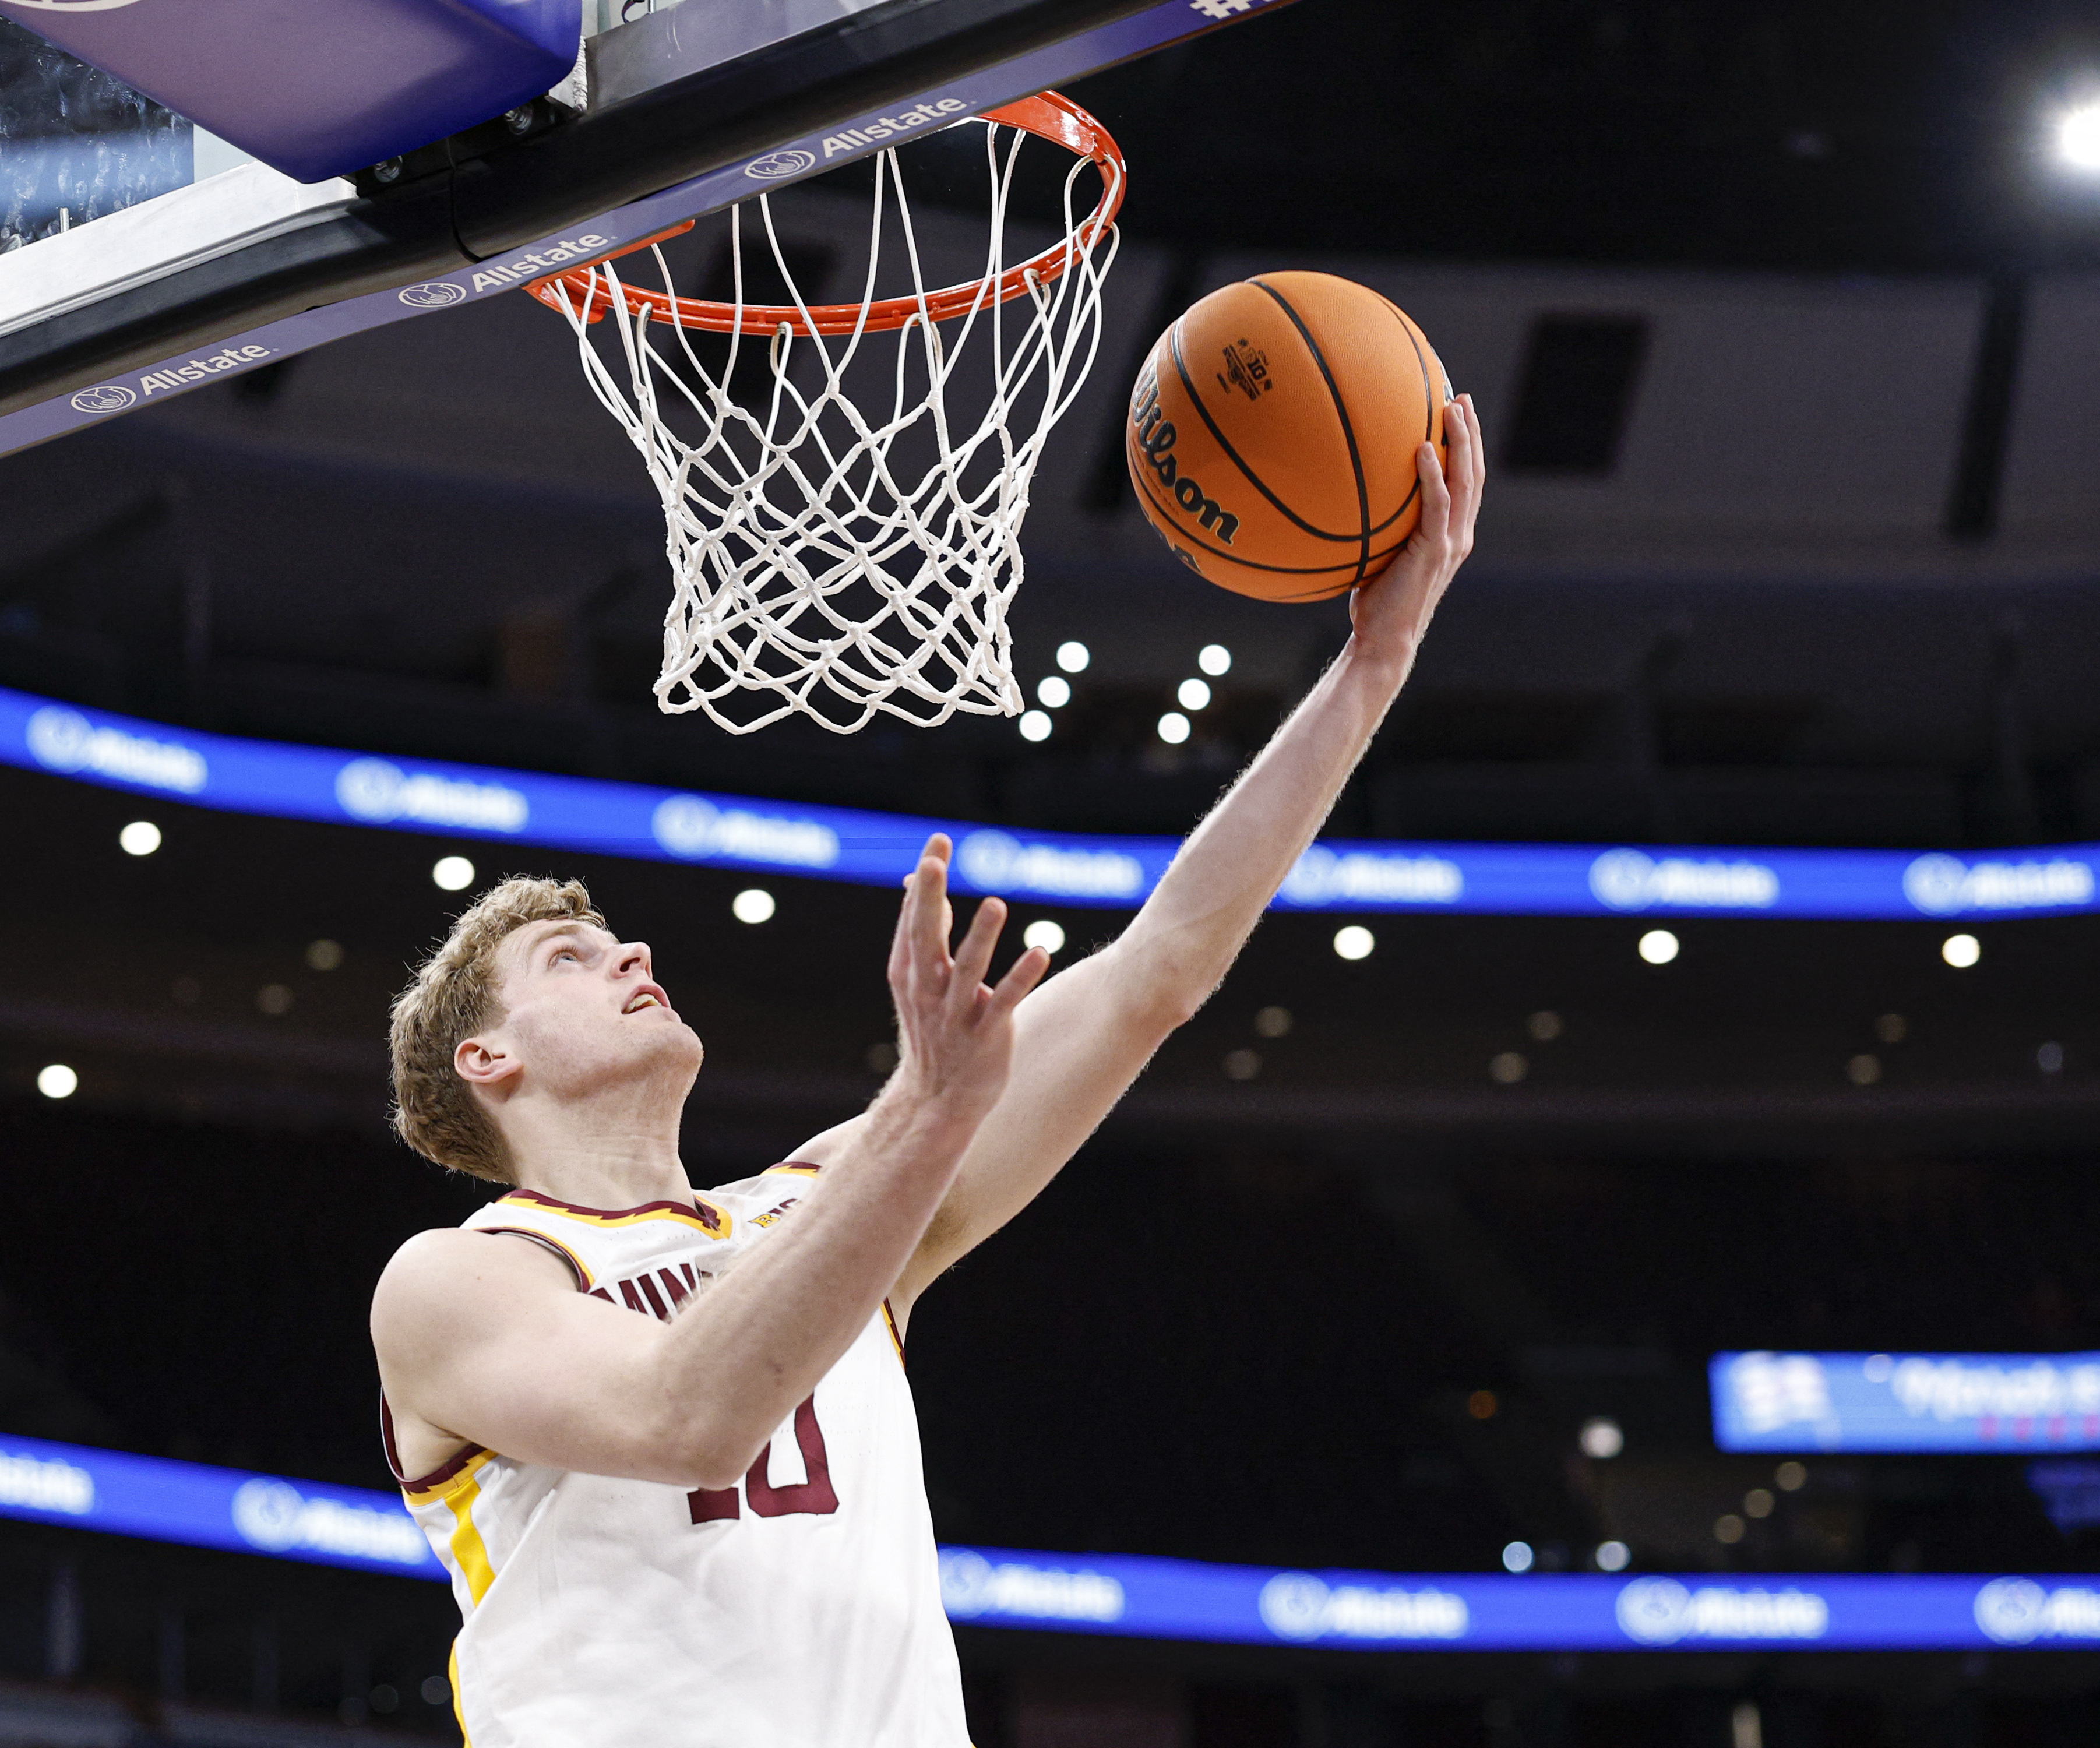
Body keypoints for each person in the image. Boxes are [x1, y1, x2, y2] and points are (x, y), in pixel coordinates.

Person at [371, 398, 1487, 1745]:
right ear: (486, 1059)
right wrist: (921, 1117)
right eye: (568, 956)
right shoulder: (463, 1277)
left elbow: (1159, 975)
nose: (629, 954)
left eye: (615, 938)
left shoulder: (824, 1205)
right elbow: (685, 1416)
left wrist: (1373, 667)